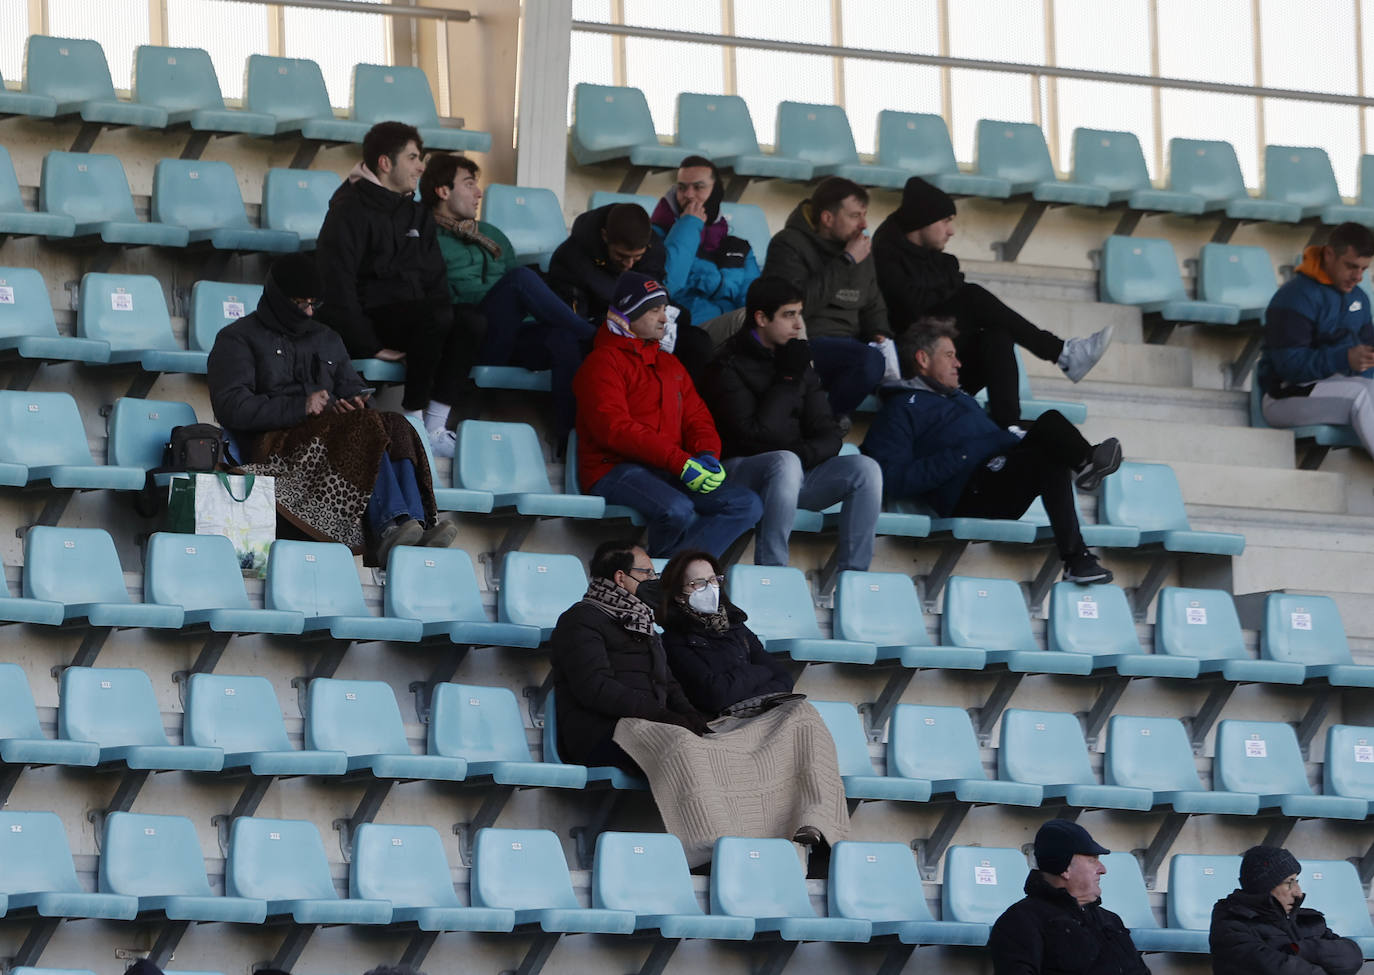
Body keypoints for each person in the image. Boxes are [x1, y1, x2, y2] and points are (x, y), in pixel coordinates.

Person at [207, 255, 455, 567]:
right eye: (301, 304)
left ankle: (416, 527)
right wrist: (301, 406)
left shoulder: (326, 338)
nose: (309, 312)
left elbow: (353, 390)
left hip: (332, 437)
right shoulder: (238, 338)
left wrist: (354, 402)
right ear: (279, 298)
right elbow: (233, 408)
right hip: (274, 444)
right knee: (362, 428)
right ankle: (389, 527)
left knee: (393, 423)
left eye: (314, 304)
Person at [861, 318, 1121, 584]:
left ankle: (1086, 475)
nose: (958, 363)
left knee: (1050, 427)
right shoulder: (900, 408)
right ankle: (1084, 490)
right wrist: (971, 450)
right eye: (949, 355)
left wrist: (1004, 441)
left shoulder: (960, 398)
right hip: (968, 494)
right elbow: (896, 479)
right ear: (923, 359)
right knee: (1048, 441)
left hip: (998, 474)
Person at [873, 176, 1114, 428]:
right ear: (923, 220)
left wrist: (945, 291)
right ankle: (1061, 352)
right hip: (911, 365)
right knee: (974, 296)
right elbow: (912, 308)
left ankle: (1007, 426)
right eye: (945, 221)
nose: (951, 231)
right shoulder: (883, 257)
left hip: (948, 362)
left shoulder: (939, 260)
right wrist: (948, 291)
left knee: (997, 336)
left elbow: (948, 287)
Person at [573, 271, 763, 559]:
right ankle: (669, 581)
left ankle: (673, 575)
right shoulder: (603, 362)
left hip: (668, 469)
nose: (664, 318)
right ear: (627, 315)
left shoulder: (669, 363)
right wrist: (680, 461)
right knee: (677, 510)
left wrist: (706, 455)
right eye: (653, 310)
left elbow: (697, 417)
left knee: (746, 504)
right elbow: (615, 429)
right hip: (613, 469)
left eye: (664, 309)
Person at [701, 276, 882, 572]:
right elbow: (753, 436)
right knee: (785, 463)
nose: (799, 325)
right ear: (760, 317)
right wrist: (786, 380)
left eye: (799, 314)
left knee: (865, 469)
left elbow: (829, 432)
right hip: (739, 473)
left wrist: (803, 455)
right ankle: (773, 572)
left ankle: (855, 576)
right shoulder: (727, 364)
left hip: (792, 472)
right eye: (789, 315)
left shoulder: (795, 360)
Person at [419, 153, 600, 447]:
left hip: (511, 333)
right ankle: (595, 336)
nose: (479, 193)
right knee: (520, 280)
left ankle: (568, 442)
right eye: (469, 185)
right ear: (443, 191)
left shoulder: (490, 234)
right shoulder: (426, 238)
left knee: (562, 339)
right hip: (469, 337)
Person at [314, 121, 461, 456]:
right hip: (373, 320)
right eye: (412, 158)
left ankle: (436, 423)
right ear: (385, 163)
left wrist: (446, 322)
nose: (421, 166)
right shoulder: (348, 209)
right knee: (432, 316)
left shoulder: (416, 213)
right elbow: (337, 285)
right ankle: (413, 420)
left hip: (418, 318)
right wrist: (370, 344)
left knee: (472, 322)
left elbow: (436, 278)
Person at [549, 539, 712, 774]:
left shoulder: (643, 621)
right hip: (601, 735)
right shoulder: (580, 620)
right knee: (687, 753)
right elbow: (596, 688)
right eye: (647, 573)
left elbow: (669, 683)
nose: (653, 581)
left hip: (650, 727)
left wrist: (689, 717)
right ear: (620, 577)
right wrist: (662, 716)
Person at [763, 176, 889, 421]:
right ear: (827, 218)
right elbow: (792, 309)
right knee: (868, 361)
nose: (863, 224)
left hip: (849, 345)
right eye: (854, 216)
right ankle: (826, 424)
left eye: (864, 215)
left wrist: (881, 335)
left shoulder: (859, 248)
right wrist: (845, 262)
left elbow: (873, 303)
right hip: (806, 342)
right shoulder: (788, 244)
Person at [546, 200, 715, 381]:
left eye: (637, 257)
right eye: (621, 256)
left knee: (698, 341)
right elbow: (575, 320)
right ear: (605, 236)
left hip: (644, 328)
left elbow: (655, 289)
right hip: (601, 332)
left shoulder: (652, 248)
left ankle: (682, 403)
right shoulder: (571, 258)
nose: (628, 264)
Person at [1257, 221, 1374, 456]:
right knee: (1362, 395)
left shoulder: (1359, 298)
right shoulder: (1295, 297)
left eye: (1364, 269)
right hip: (1285, 397)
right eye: (1351, 266)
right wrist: (1344, 359)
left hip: (1341, 387)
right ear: (1329, 254)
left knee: (1365, 390)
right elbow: (1289, 368)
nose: (1358, 277)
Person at [989, 820, 1151, 975]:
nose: (1103, 869)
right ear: (1064, 868)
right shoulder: (1020, 921)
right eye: (1092, 860)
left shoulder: (1111, 921)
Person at [654, 549, 795, 716]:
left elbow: (784, 678)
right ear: (678, 595)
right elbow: (717, 696)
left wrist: (743, 694)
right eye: (699, 583)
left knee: (801, 713)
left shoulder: (736, 626)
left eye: (713, 580)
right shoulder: (674, 640)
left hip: (754, 714)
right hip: (718, 726)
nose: (711, 588)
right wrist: (758, 671)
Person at [1209, 846, 1363, 975]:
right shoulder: (1231, 923)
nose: (1298, 892)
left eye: (1296, 881)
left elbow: (1351, 958)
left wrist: (1300, 950)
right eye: (1289, 883)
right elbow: (1279, 969)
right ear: (1265, 886)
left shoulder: (1308, 921)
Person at [652, 155, 760, 327]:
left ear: (715, 191)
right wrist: (688, 225)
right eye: (681, 188)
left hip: (730, 331)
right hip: (686, 327)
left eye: (698, 187)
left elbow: (754, 300)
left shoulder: (737, 247)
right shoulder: (656, 235)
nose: (688, 195)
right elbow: (668, 284)